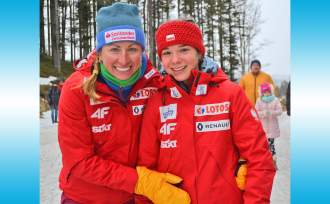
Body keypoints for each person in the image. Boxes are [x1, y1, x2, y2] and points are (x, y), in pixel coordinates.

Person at [58, 3, 190, 204]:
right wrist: (140, 181)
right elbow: (78, 162)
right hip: (85, 198)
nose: (123, 59)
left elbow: (198, 111)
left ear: (143, 51)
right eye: (114, 49)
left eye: (132, 49)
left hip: (136, 199)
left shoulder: (155, 84)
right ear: (100, 52)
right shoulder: (76, 89)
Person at [138, 19, 275, 204]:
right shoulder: (156, 101)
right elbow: (146, 171)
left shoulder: (230, 94)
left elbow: (260, 159)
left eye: (184, 50)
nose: (175, 59)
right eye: (167, 52)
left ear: (199, 52)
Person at [255, 83, 282, 169]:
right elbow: (256, 112)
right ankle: (264, 163)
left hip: (272, 127)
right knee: (263, 145)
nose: (266, 93)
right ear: (262, 92)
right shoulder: (259, 100)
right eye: (265, 92)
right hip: (263, 128)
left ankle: (273, 162)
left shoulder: (275, 100)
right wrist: (263, 113)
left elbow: (280, 111)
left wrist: (271, 112)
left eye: (268, 91)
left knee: (271, 145)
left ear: (270, 91)